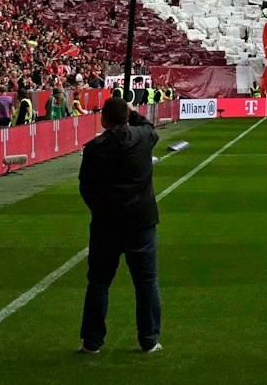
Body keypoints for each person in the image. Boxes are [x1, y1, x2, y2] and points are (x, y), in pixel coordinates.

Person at [77, 98, 162, 354]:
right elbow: (149, 126)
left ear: (104, 120)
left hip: (106, 224)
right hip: (141, 222)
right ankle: (149, 340)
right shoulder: (143, 137)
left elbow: (85, 186)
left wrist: (99, 209)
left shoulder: (94, 149)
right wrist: (132, 113)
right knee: (146, 282)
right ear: (128, 116)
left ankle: (92, 342)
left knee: (99, 282)